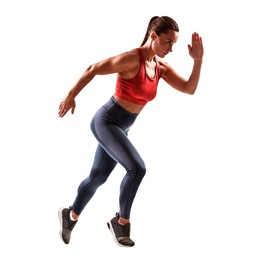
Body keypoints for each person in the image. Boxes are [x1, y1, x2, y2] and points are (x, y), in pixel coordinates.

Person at [58, 15, 203, 247]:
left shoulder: (160, 68)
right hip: (106, 121)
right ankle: (121, 222)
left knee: (98, 177)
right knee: (136, 168)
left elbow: (189, 88)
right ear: (153, 36)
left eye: (174, 44)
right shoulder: (130, 60)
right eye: (168, 42)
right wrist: (71, 95)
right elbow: (93, 68)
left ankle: (70, 215)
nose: (171, 48)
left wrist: (198, 60)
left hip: (123, 127)